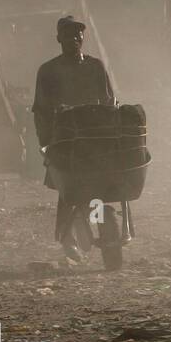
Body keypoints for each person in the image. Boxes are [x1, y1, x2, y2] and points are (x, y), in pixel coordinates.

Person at [32, 16, 116, 263]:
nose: (74, 38)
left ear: (83, 38)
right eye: (68, 34)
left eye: (78, 34)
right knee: (68, 188)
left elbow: (109, 101)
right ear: (59, 38)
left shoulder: (95, 67)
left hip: (95, 137)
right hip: (64, 140)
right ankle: (67, 236)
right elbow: (40, 110)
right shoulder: (48, 71)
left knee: (97, 182)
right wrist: (45, 143)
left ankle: (100, 226)